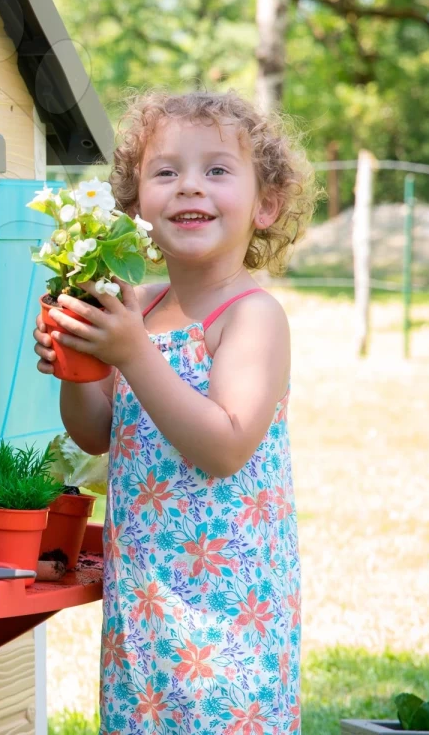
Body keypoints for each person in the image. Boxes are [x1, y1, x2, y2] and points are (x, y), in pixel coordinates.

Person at [34, 90, 314, 735]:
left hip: (228, 611)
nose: (190, 187)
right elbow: (96, 434)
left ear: (266, 205)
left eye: (217, 170)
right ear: (135, 207)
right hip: (147, 602)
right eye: (166, 172)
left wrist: (131, 353)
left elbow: (224, 446)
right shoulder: (143, 304)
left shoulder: (251, 316)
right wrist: (79, 367)